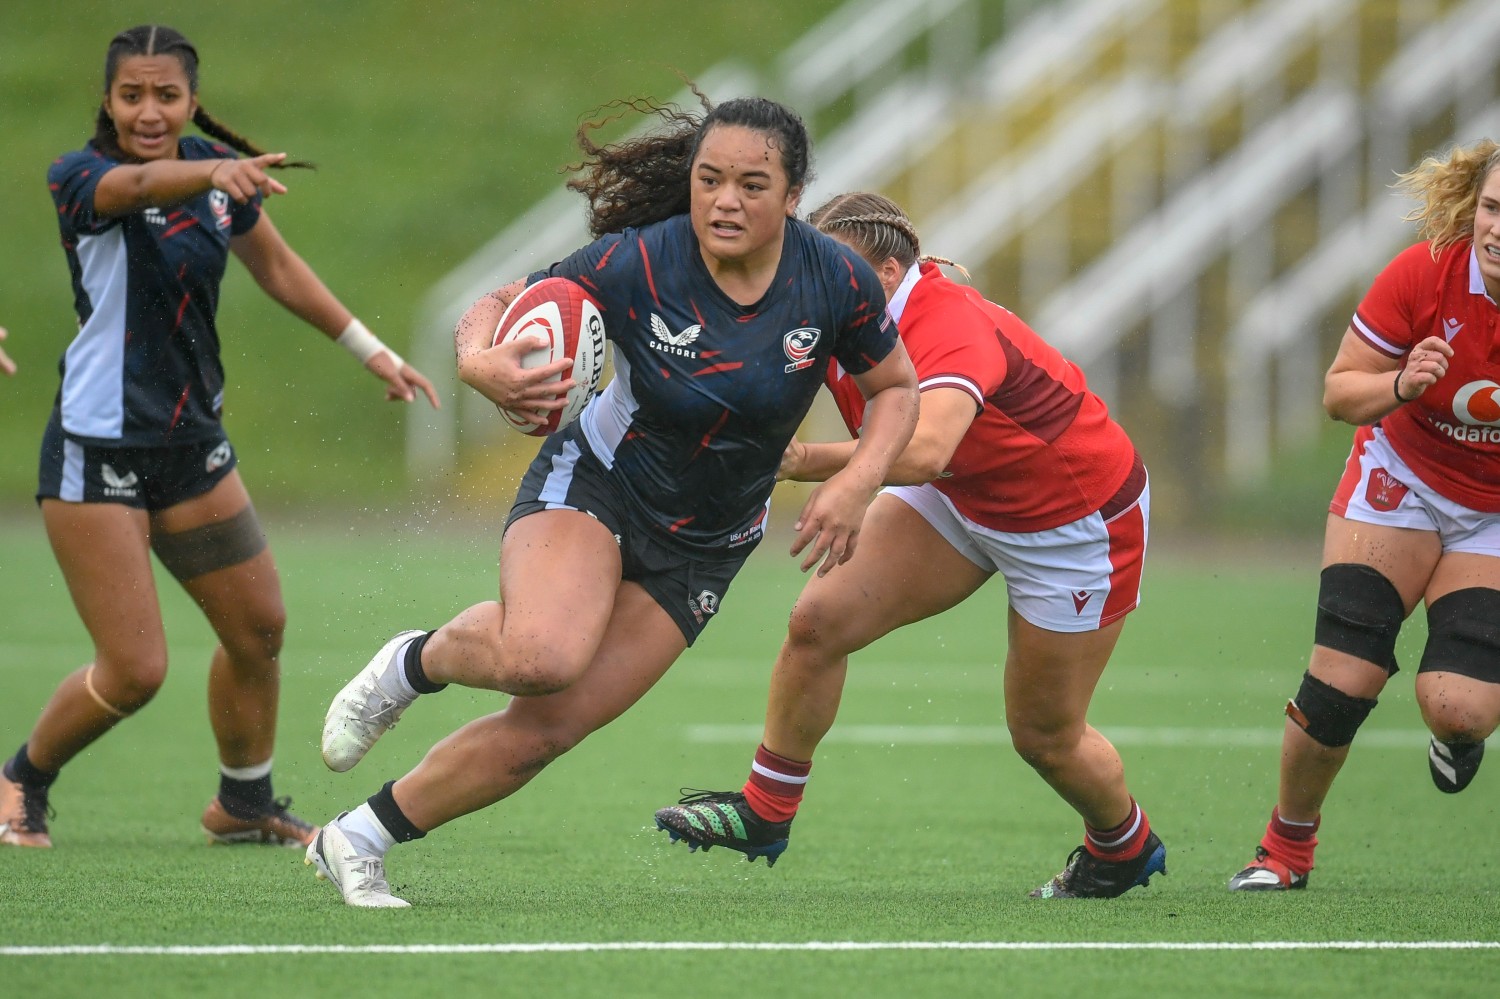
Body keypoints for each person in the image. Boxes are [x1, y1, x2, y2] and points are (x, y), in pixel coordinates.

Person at [304, 95, 919, 907]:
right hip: (598, 485)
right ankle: (412, 662)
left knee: (549, 729)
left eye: (751, 184)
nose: (724, 201)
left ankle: (358, 837)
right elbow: (491, 305)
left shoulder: (832, 279)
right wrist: (479, 361)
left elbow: (898, 389)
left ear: (794, 195)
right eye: (709, 180)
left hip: (709, 541)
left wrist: (859, 476)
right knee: (541, 658)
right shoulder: (641, 262)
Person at [652, 191, 1166, 899]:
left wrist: (813, 466)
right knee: (817, 622)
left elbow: (924, 450)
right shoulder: (837, 311)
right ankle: (765, 811)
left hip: (1073, 522)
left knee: (1045, 734)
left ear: (889, 275)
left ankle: (1123, 844)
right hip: (964, 491)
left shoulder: (947, 322)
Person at [0, 25, 438, 851]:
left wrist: (372, 350)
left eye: (167, 95)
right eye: (132, 94)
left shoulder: (210, 176)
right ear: (107, 102)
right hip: (98, 449)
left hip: (189, 443)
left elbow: (274, 265)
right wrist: (210, 169)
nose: (150, 109)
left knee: (258, 629)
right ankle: (23, 776)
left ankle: (244, 802)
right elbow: (138, 183)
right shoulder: (82, 178)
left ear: (191, 100)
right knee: (134, 671)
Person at [1228, 139, 1500, 891]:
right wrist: (1404, 386)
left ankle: (1459, 736)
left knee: (1459, 705)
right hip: (1401, 479)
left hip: (1495, 512)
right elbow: (1341, 391)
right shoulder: (1423, 273)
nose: (1497, 230)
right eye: (1490, 208)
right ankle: (1284, 850)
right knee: (1343, 677)